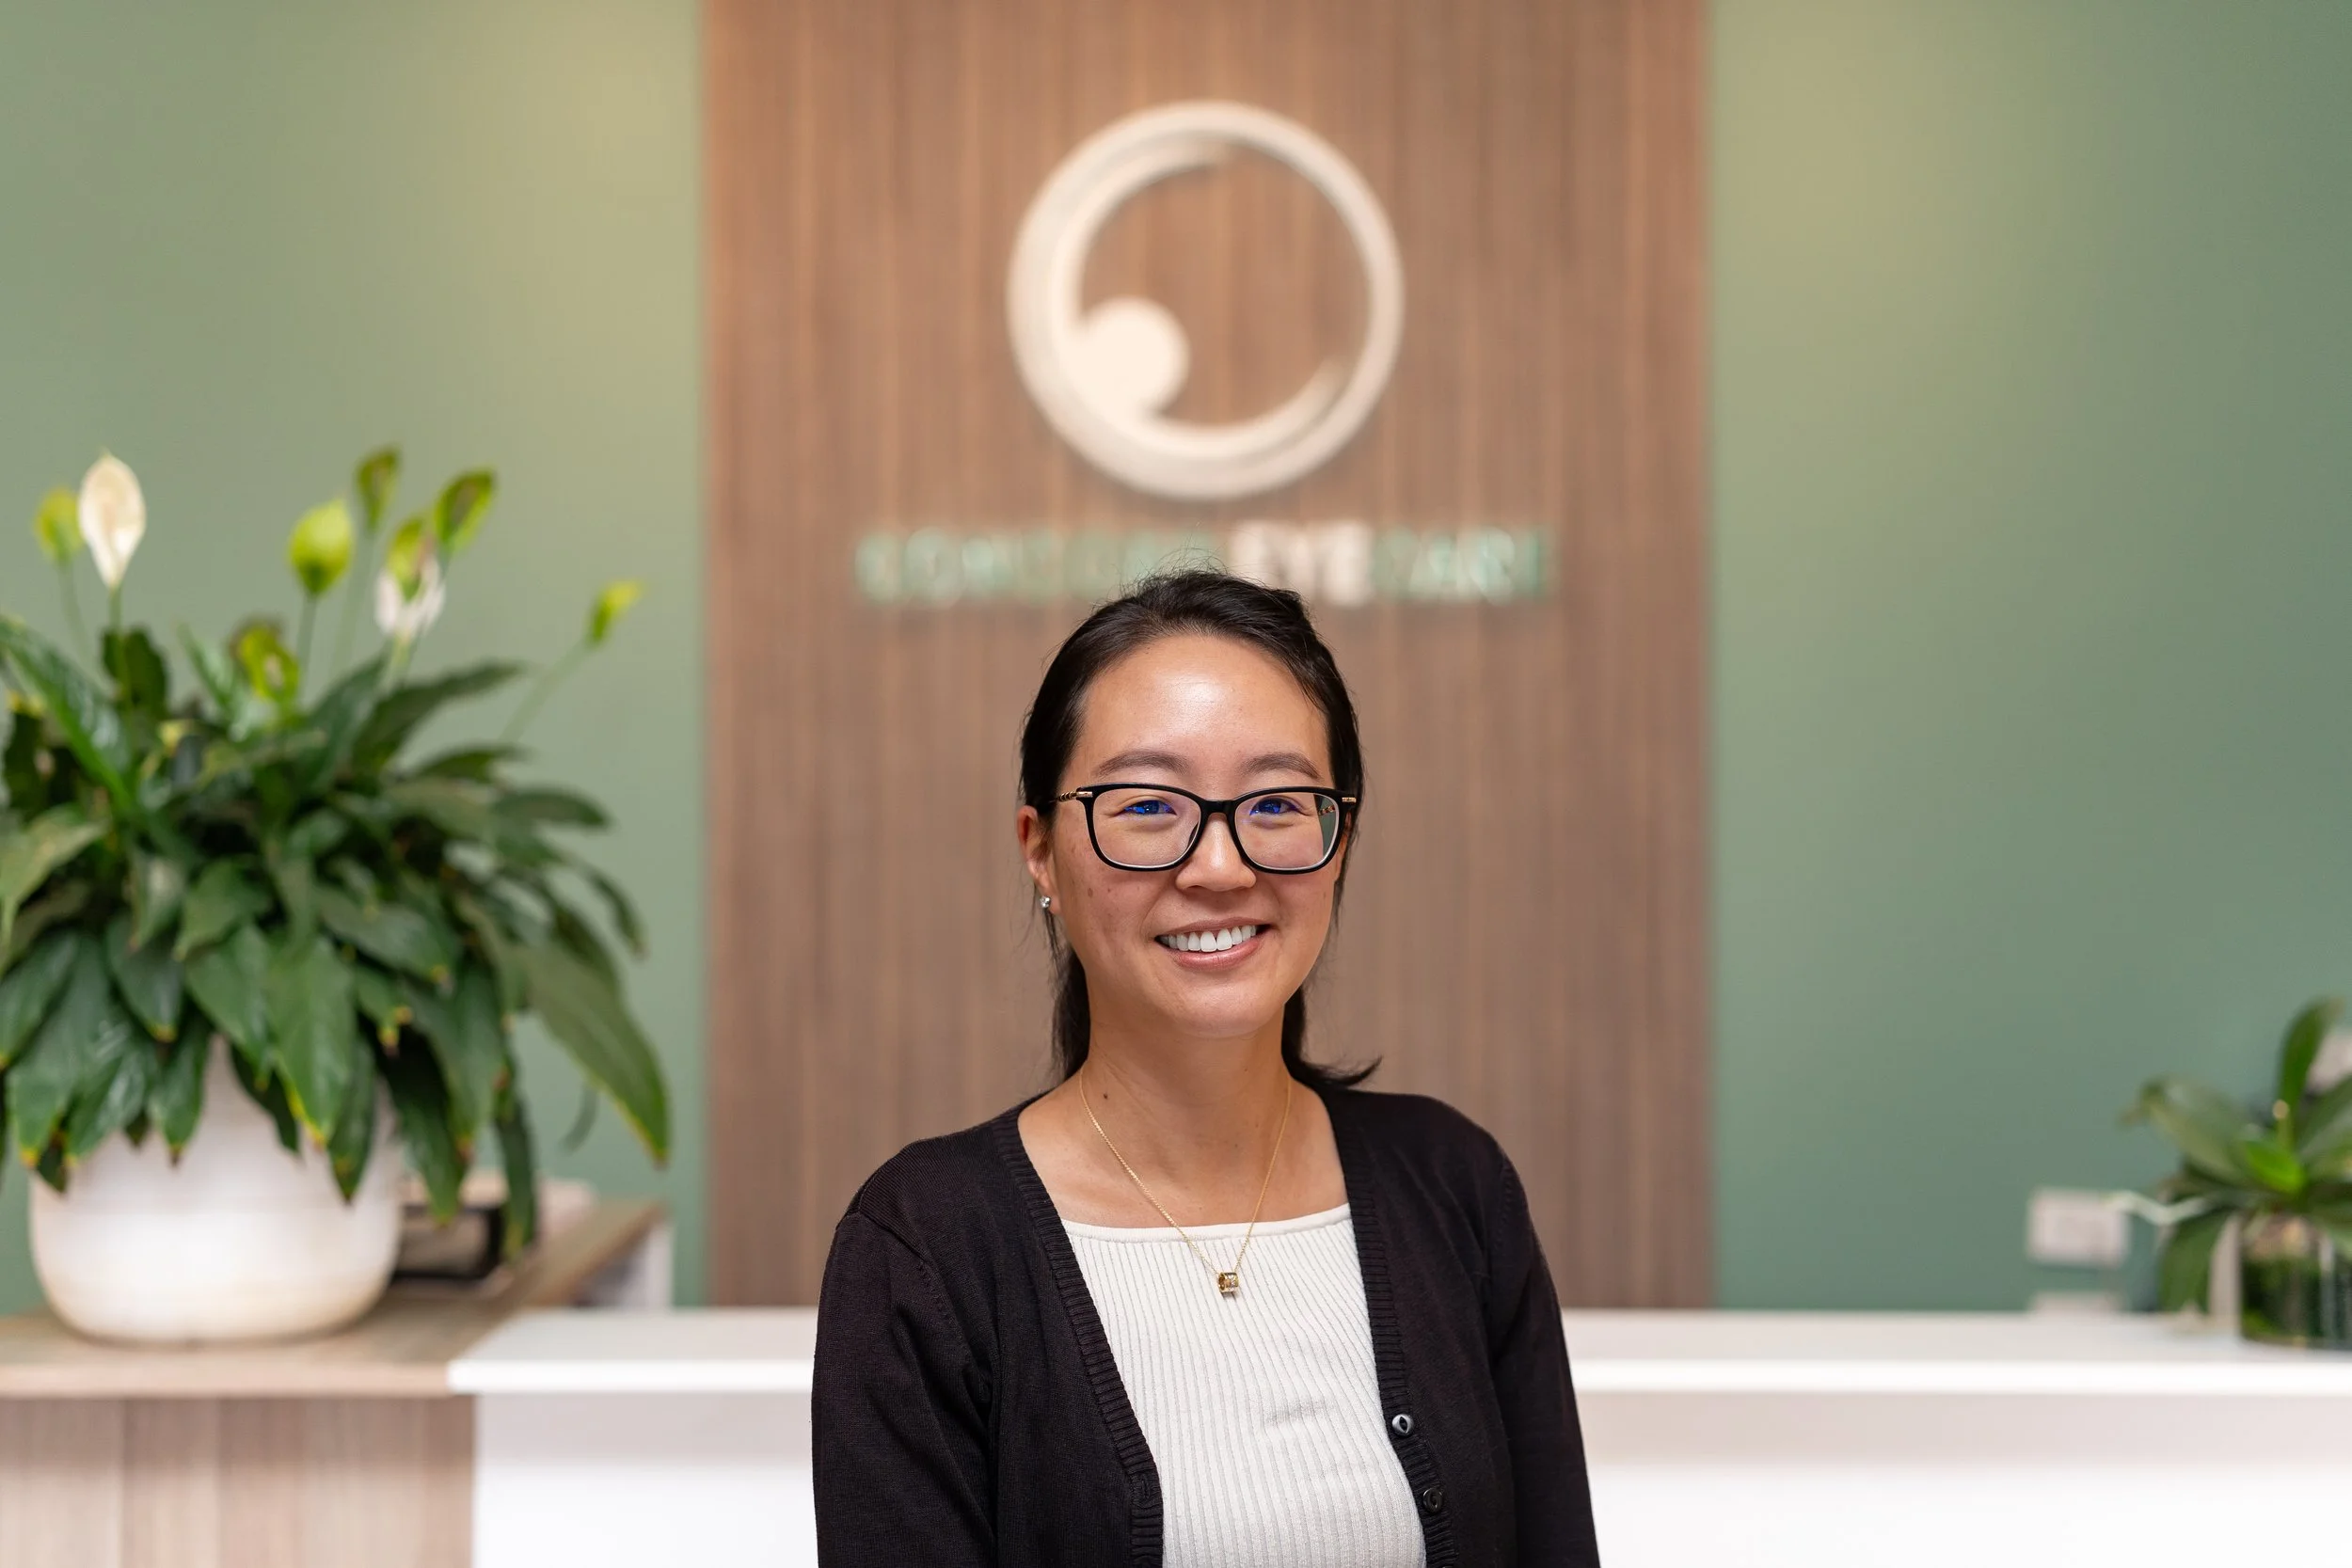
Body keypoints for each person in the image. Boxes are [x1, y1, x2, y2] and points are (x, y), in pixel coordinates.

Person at [813, 571, 1602, 1567]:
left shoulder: (1454, 1184)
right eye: (1147, 805)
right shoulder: (923, 1244)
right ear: (1041, 852)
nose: (1220, 865)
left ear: (1339, 840)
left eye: (1276, 801)